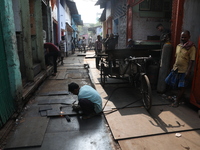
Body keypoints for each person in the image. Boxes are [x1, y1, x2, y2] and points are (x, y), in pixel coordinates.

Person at [165, 30, 196, 107]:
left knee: (182, 86)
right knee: (169, 82)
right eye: (182, 37)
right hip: (176, 68)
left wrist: (188, 72)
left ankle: (177, 101)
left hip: (184, 70)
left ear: (189, 37)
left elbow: (192, 61)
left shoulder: (191, 48)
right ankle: (176, 97)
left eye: (185, 37)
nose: (183, 38)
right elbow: (177, 57)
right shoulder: (178, 46)